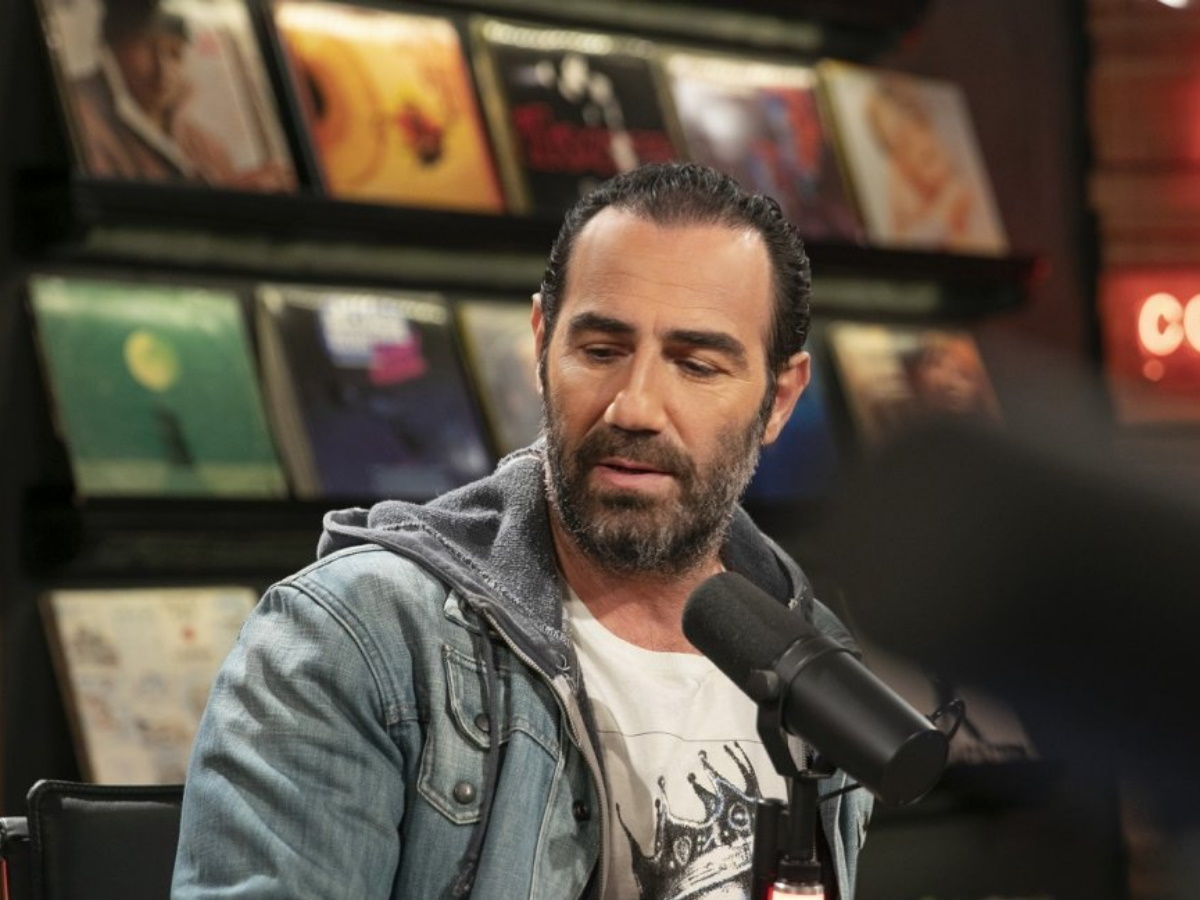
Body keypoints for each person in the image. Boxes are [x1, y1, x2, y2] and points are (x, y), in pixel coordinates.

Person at [171, 162, 872, 899]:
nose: (634, 407)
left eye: (696, 366)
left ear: (779, 399)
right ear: (542, 345)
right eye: (600, 351)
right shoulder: (359, 638)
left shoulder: (817, 666)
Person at [70, 0, 292, 188]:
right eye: (147, 48)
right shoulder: (78, 115)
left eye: (174, 53)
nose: (163, 69)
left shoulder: (206, 148)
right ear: (115, 44)